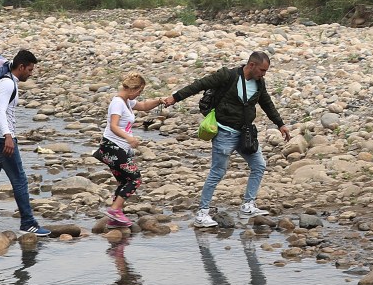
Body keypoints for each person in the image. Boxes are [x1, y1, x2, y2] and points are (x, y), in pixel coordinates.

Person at [164, 51, 291, 227]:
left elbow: (266, 103)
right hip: (224, 132)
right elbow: (199, 85)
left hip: (245, 133)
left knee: (259, 165)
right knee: (218, 172)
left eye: (265, 71)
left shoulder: (259, 82)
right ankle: (202, 214)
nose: (264, 74)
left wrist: (280, 124)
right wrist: (174, 98)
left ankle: (248, 205)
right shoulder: (228, 76)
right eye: (262, 70)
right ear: (252, 65)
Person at [0, 49, 50, 236]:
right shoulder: (7, 83)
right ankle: (28, 223)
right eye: (30, 70)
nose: (31, 73)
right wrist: (8, 136)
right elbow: (0, 111)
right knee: (20, 180)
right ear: (21, 66)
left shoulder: (7, 81)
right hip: (1, 139)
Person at [95, 73, 164, 228]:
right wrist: (129, 138)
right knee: (134, 179)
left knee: (124, 181)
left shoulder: (127, 101)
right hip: (112, 146)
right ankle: (114, 210)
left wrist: (159, 101)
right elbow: (113, 126)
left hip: (118, 147)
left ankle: (114, 219)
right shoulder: (118, 103)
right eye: (140, 91)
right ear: (134, 89)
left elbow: (145, 106)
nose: (140, 94)